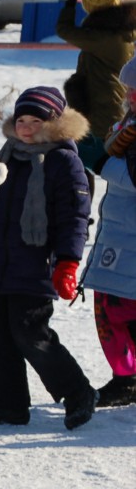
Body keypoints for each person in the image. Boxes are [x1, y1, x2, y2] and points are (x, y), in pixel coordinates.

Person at [0, 86, 98, 429]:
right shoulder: (7, 156)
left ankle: (78, 392)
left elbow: (74, 218)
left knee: (30, 333)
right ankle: (9, 405)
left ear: (54, 124)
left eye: (36, 121)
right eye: (21, 120)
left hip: (38, 266)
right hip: (1, 265)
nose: (27, 127)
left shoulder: (64, 161)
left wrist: (68, 262)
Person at [86, 58, 136, 407]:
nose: (131, 95)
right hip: (121, 234)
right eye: (129, 88)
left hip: (129, 237)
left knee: (115, 308)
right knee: (111, 306)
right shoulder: (128, 125)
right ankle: (126, 376)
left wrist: (101, 162)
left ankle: (127, 378)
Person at [56, 0, 135, 175]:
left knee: (94, 165)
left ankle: (82, 202)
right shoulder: (121, 30)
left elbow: (64, 30)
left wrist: (72, 1)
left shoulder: (101, 37)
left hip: (102, 110)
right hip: (109, 105)